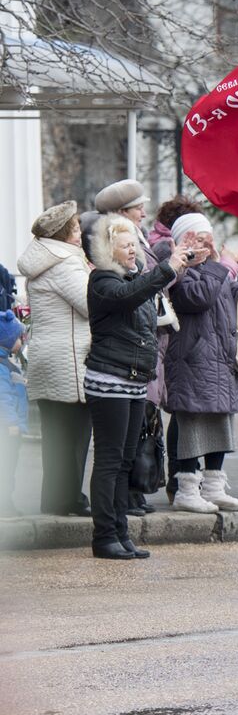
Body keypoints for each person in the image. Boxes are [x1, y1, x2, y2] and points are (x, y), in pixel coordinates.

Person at [83, 215, 188, 559]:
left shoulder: (132, 279)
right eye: (126, 245)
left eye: (135, 244)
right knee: (110, 461)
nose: (133, 251)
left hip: (133, 380)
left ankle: (121, 533)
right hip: (109, 380)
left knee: (125, 461)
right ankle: (104, 537)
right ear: (108, 250)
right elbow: (129, 295)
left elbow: (143, 302)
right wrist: (166, 269)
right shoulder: (102, 280)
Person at [161, 211, 238, 514]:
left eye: (208, 237)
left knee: (221, 424)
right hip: (192, 361)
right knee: (192, 427)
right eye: (199, 238)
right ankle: (187, 489)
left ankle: (215, 487)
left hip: (220, 360)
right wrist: (218, 266)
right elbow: (198, 297)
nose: (207, 244)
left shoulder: (214, 271)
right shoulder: (179, 271)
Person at [17, 202, 93, 517]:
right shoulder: (66, 263)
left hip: (50, 353)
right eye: (76, 229)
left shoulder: (44, 261)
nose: (80, 235)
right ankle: (68, 500)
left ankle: (57, 499)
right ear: (64, 233)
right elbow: (91, 305)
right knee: (74, 433)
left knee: (57, 434)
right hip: (70, 357)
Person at [0, 309, 28, 518]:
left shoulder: (7, 364)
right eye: (19, 337)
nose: (22, 340)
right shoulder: (2, 368)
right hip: (8, 429)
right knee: (7, 468)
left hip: (12, 427)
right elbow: (3, 397)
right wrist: (11, 423)